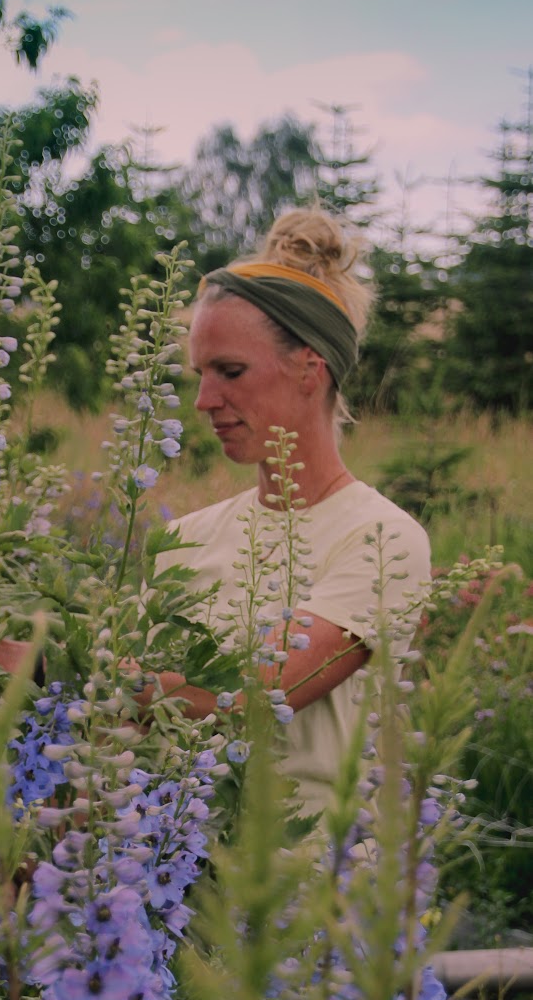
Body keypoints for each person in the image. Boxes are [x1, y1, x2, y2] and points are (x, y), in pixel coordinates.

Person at [136, 207, 431, 820]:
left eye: (230, 371)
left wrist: (57, 666)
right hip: (170, 863)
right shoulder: (182, 538)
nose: (204, 400)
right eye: (200, 374)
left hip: (313, 871)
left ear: (309, 369)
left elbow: (258, 697)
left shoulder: (382, 540)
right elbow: (130, 730)